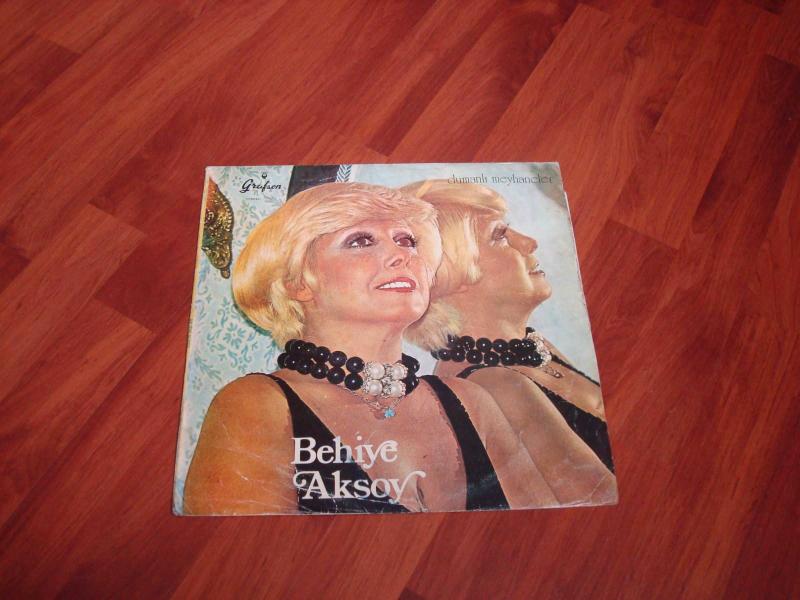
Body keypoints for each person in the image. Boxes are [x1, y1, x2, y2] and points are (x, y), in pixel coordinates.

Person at [183, 182, 614, 515]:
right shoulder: (256, 404)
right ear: (297, 282)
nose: (402, 255)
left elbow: (550, 535)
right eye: (361, 240)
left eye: (407, 241)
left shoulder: (472, 400)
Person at [402, 179, 615, 474]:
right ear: (452, 272)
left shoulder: (527, 346)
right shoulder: (493, 386)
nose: (529, 242)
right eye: (500, 235)